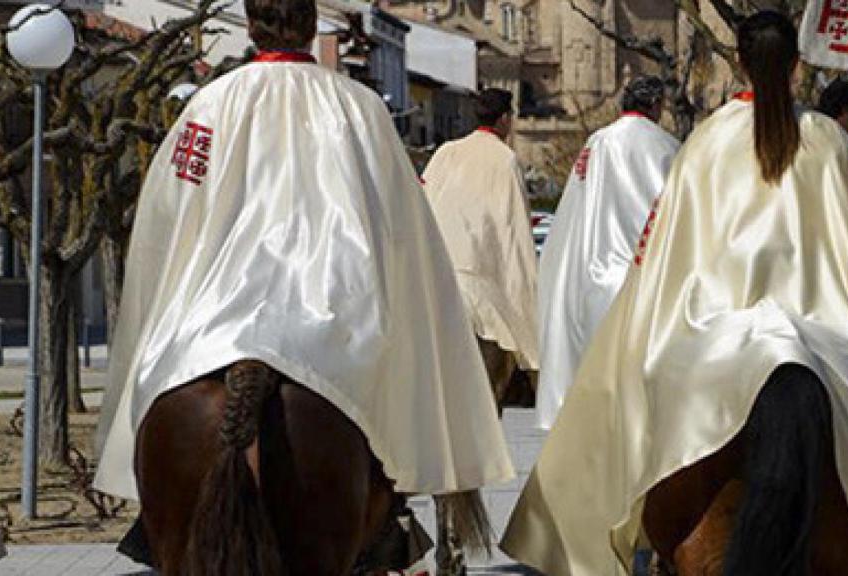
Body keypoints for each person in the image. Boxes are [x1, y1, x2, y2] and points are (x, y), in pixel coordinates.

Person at [501, 10, 848, 575]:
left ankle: (631, 540)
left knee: (633, 408)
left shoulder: (704, 144)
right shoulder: (829, 143)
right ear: (797, 65)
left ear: (739, 61)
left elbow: (666, 259)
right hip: (825, 331)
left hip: (714, 328)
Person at [93, 0, 514, 570]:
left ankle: (154, 518)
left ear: (251, 21)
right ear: (312, 26)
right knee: (378, 405)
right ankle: (389, 516)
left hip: (212, 319)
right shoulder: (360, 109)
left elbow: (167, 221)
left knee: (165, 380)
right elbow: (400, 230)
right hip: (328, 314)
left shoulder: (208, 105)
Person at [421, 88, 539, 575]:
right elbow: (513, 240)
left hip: (436, 298)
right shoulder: (505, 161)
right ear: (507, 119)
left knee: (436, 424)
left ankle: (440, 529)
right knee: (477, 420)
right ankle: (457, 531)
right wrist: (532, 328)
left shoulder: (444, 154)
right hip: (479, 303)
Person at [535, 75, 679, 430]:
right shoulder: (668, 146)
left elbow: (573, 214)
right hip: (646, 279)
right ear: (657, 105)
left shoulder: (596, 143)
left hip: (593, 277)